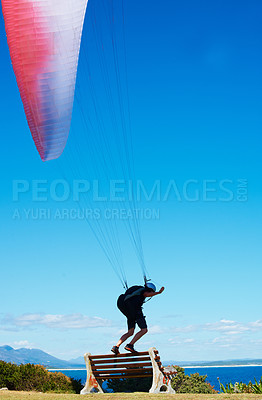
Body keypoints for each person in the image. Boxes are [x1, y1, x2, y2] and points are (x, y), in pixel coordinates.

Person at [111, 283, 165, 354]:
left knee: (130, 332)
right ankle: (130, 345)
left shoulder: (136, 291)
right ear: (150, 290)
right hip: (136, 311)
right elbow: (146, 294)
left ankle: (116, 346)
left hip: (128, 312)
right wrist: (158, 292)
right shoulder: (143, 291)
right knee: (144, 330)